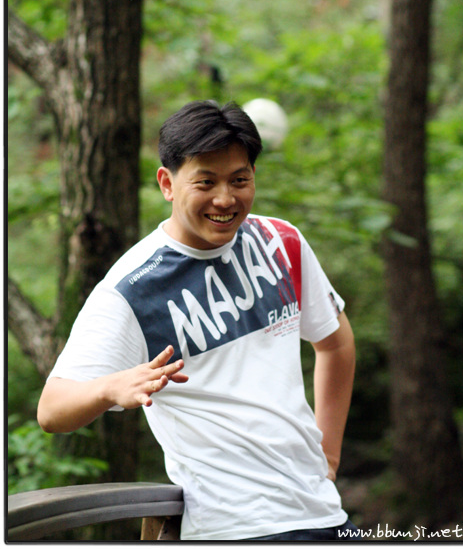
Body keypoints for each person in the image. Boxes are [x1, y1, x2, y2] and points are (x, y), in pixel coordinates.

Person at [38, 100, 359, 541]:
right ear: (167, 184)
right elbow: (52, 409)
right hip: (231, 527)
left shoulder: (280, 242)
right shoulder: (133, 288)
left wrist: (329, 456)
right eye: (205, 182)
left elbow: (336, 342)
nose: (225, 199)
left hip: (323, 514)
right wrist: (112, 386)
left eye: (239, 180)